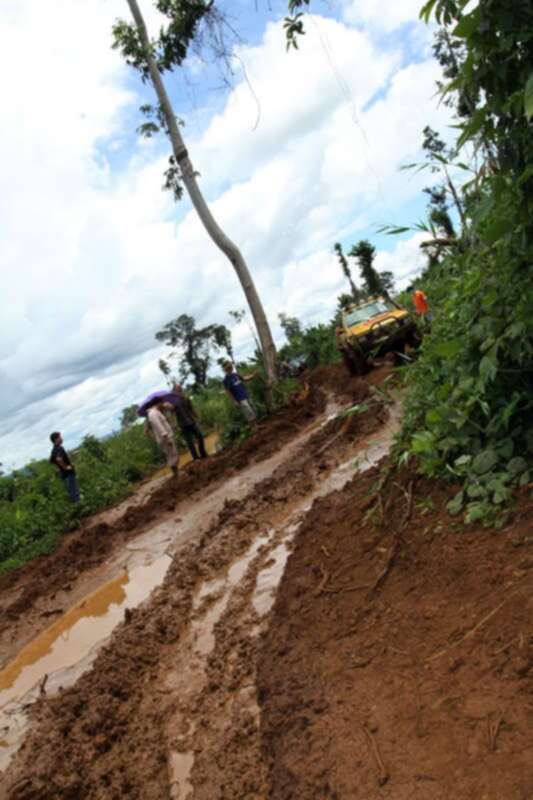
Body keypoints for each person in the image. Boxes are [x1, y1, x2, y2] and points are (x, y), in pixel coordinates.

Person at [170, 383, 207, 461]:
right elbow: (172, 414)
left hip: (191, 421)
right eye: (177, 388)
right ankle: (196, 458)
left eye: (180, 388)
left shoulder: (186, 398)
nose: (179, 389)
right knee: (190, 443)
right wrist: (174, 425)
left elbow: (192, 409)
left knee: (200, 436)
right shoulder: (173, 402)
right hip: (183, 425)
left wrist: (198, 417)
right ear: (174, 390)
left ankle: (203, 453)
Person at [145, 400, 179, 478]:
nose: (163, 405)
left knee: (172, 455)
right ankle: (176, 474)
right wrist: (167, 439)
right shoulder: (153, 414)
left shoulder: (156, 412)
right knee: (172, 456)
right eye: (162, 403)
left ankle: (176, 473)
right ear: (158, 403)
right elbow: (160, 427)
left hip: (166, 438)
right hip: (165, 438)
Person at [49, 432, 80, 503]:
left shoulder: (54, 450)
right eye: (60, 437)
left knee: (72, 493)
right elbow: (58, 459)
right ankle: (80, 508)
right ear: (56, 439)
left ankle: (78, 508)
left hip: (64, 475)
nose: (61, 438)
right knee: (74, 493)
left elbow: (52, 461)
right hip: (68, 474)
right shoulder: (58, 448)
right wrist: (66, 467)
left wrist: (59, 469)